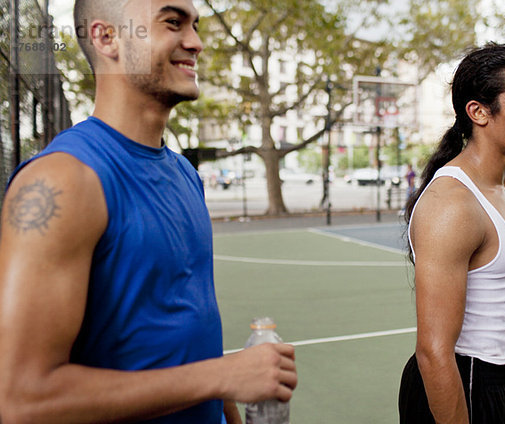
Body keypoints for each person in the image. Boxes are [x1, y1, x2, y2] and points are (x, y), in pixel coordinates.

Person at [0, 1, 297, 423]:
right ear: (107, 38)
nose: (195, 43)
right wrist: (221, 375)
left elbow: (195, 343)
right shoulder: (62, 181)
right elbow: (23, 401)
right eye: (172, 23)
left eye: (194, 25)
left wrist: (227, 393)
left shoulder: (184, 175)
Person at [399, 41, 505, 424]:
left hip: (493, 379)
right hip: (458, 383)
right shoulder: (453, 204)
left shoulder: (503, 191)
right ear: (479, 112)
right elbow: (434, 352)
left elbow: (496, 307)